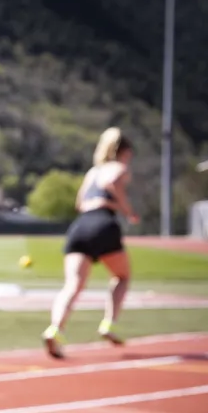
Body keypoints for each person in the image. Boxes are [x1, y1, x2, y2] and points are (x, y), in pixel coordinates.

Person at [43, 128, 139, 359]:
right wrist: (127, 211)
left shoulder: (93, 172)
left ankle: (55, 329)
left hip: (81, 225)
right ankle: (109, 323)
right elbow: (112, 182)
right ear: (124, 152)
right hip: (104, 223)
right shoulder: (118, 168)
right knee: (122, 276)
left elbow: (80, 202)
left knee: (72, 284)